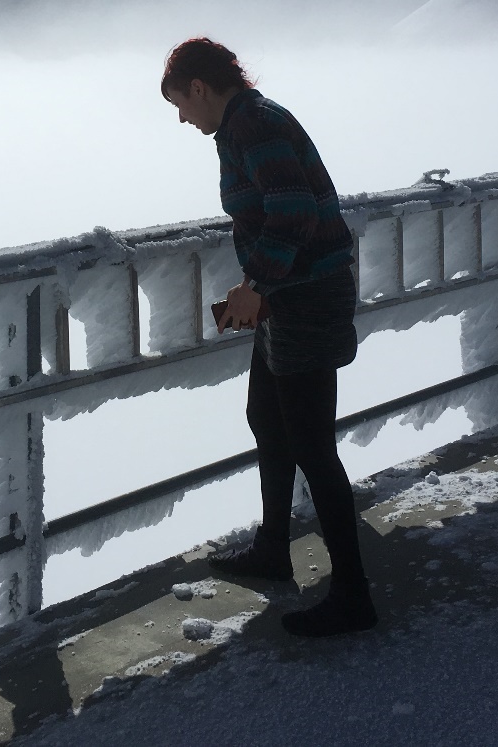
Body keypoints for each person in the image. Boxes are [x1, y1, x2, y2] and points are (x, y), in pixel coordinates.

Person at [161, 37, 378, 637]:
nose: (182, 118)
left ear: (199, 88)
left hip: (304, 296)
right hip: (287, 295)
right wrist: (258, 287)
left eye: (179, 103)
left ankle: (354, 596)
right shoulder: (244, 124)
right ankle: (273, 547)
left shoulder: (254, 124)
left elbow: (294, 211)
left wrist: (255, 281)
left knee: (312, 445)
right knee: (267, 416)